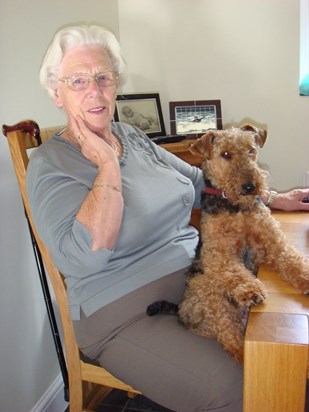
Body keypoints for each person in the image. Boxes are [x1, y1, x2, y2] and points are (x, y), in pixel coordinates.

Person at [26, 24, 309, 412]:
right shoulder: (48, 164)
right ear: (56, 92)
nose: (94, 89)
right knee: (243, 388)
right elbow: (84, 256)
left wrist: (273, 197)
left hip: (199, 279)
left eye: (103, 77)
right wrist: (108, 165)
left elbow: (199, 184)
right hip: (123, 312)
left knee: (284, 346)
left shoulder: (132, 136)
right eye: (77, 80)